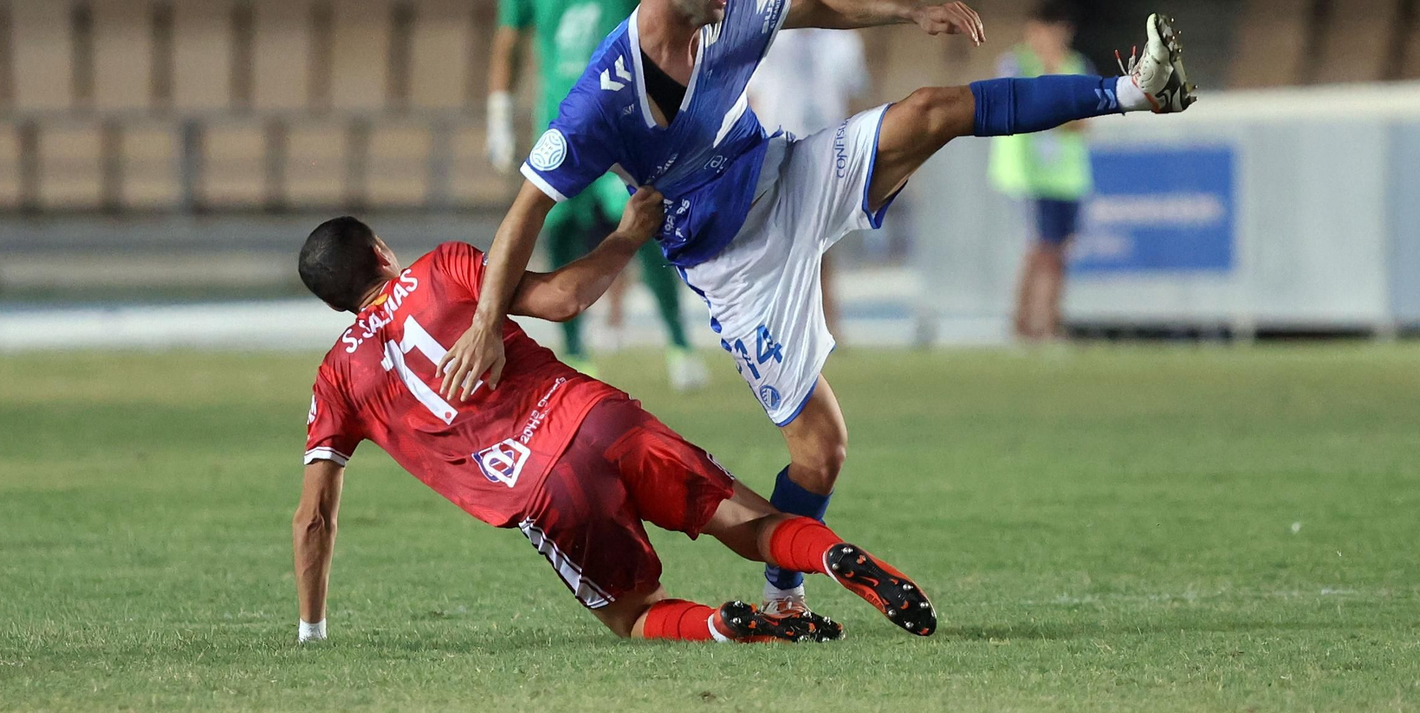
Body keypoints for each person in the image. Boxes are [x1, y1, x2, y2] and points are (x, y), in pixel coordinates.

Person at [440, 0, 1197, 622]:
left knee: (933, 110)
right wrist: (482, 324)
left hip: (785, 177)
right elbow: (526, 209)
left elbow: (818, 6)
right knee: (822, 453)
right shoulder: (602, 98)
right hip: (733, 265)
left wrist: (912, 9)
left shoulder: (732, 10)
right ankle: (782, 593)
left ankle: (1134, 90)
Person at [291, 188, 936, 644]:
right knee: (754, 523)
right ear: (380, 252)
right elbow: (566, 299)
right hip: (596, 416)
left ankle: (729, 627)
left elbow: (314, 517)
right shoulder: (444, 268)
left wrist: (311, 631)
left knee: (632, 616)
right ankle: (835, 555)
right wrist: (629, 232)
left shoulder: (335, 380)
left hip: (542, 489)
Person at [485, 0, 708, 390]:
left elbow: (664, 21)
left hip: (626, 121)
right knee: (557, 230)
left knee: (645, 224)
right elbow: (509, 42)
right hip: (558, 124)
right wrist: (498, 112)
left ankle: (679, 344)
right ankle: (575, 351)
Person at [747, 0, 872, 343]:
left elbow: (852, 98)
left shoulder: (843, 41)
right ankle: (768, 331)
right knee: (773, 246)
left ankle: (829, 326)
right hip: (772, 152)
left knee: (822, 246)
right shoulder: (761, 38)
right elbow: (748, 99)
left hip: (827, 151)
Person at [989, 0, 1095, 342]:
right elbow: (1013, 109)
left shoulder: (1077, 65)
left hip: (1068, 176)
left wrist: (1056, 114)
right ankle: (1027, 325)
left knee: (1058, 251)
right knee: (1040, 249)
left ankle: (1048, 322)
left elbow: (1086, 121)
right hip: (1026, 175)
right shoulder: (1016, 64)